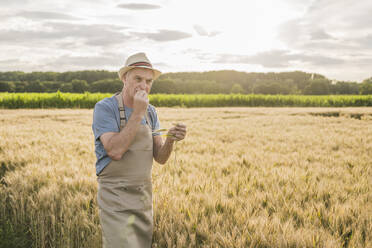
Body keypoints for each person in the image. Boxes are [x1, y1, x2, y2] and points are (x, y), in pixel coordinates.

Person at [92, 52, 186, 248]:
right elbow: (115, 151)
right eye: (138, 79)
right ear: (125, 78)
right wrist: (138, 112)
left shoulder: (151, 112)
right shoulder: (105, 108)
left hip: (143, 197)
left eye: (149, 81)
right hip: (115, 197)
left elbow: (160, 157)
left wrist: (170, 139)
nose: (144, 86)